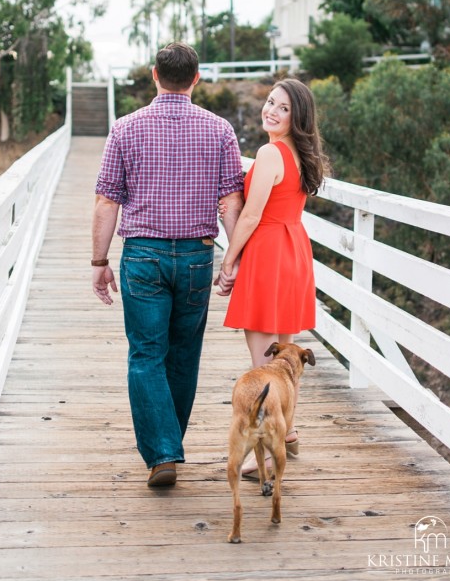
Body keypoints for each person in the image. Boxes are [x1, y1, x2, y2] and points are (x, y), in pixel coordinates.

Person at [91, 42, 244, 488]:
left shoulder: (125, 129)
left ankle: (162, 452)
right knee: (183, 355)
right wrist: (233, 260)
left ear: (154, 74)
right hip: (197, 257)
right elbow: (231, 202)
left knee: (145, 354)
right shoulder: (220, 131)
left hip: (143, 256)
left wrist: (99, 261)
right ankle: (167, 444)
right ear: (196, 78)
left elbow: (106, 201)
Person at [215, 78, 329, 477]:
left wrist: (229, 259)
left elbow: (251, 214)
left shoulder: (270, 152)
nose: (270, 111)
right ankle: (290, 431)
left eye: (282, 108)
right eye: (269, 102)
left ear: (296, 117)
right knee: (286, 360)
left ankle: (267, 450)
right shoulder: (301, 153)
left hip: (268, 253)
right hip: (293, 249)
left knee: (264, 365)